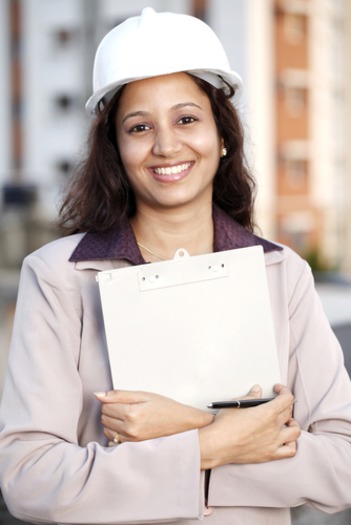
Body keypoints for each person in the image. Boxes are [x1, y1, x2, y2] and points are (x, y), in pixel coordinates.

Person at [0, 7, 351, 525]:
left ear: (222, 134)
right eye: (139, 127)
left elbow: (342, 467)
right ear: (115, 150)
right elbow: (29, 478)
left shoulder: (283, 273)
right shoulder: (58, 277)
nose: (166, 145)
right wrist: (212, 446)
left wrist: (185, 426)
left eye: (187, 118)